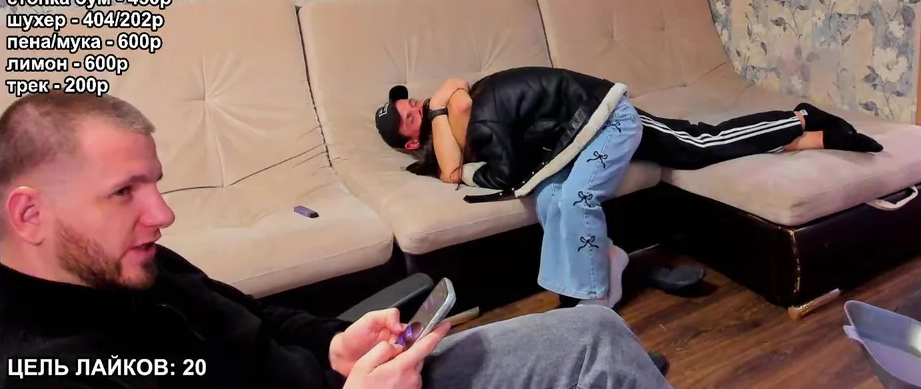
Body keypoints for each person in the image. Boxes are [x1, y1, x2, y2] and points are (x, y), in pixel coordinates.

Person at [0, 91, 673, 389]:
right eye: (124, 192)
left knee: (595, 333)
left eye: (155, 184)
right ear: (29, 214)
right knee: (595, 354)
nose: (162, 214)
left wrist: (334, 342)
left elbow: (256, 318)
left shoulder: (129, 263)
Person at [372, 66, 882, 308]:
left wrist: (437, 111)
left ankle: (797, 119)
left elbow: (460, 127)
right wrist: (442, 117)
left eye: (411, 104)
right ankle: (804, 133)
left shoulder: (464, 112)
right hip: (579, 131)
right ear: (410, 143)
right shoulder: (459, 125)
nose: (417, 107)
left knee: (697, 144)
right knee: (687, 146)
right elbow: (456, 156)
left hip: (601, 117)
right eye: (409, 117)